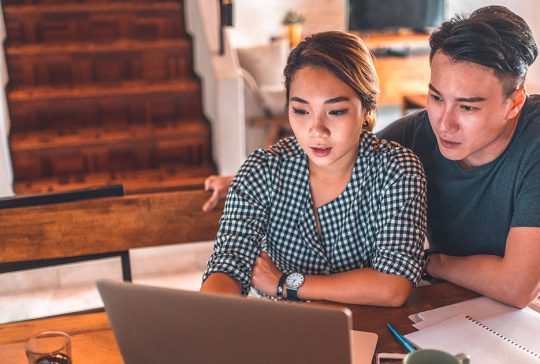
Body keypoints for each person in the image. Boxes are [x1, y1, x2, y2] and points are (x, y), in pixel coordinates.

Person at [203, 6, 540, 308]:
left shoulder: (532, 143)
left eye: (467, 106)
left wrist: (425, 261)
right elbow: (340, 157)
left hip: (514, 311)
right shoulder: (415, 135)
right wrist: (246, 181)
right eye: (436, 97)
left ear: (514, 103)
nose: (444, 123)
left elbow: (516, 288)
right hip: (453, 299)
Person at [201, 31, 428, 306]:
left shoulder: (397, 170)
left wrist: (286, 283)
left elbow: (393, 285)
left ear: (367, 109)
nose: (316, 130)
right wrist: (208, 318)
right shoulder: (261, 170)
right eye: (301, 111)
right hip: (287, 330)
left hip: (373, 328)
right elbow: (229, 263)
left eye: (336, 111)